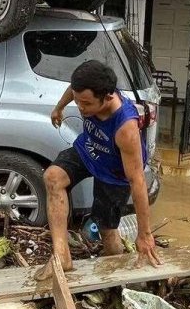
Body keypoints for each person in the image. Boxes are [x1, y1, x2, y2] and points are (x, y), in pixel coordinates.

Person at [43, 59, 161, 271]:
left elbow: (137, 181)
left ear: (107, 97)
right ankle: (62, 255)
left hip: (115, 173)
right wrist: (58, 108)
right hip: (90, 150)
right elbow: (74, 89)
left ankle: (114, 275)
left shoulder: (126, 128)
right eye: (79, 102)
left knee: (107, 231)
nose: (81, 107)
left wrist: (144, 234)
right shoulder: (88, 90)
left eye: (87, 104)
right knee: (53, 177)